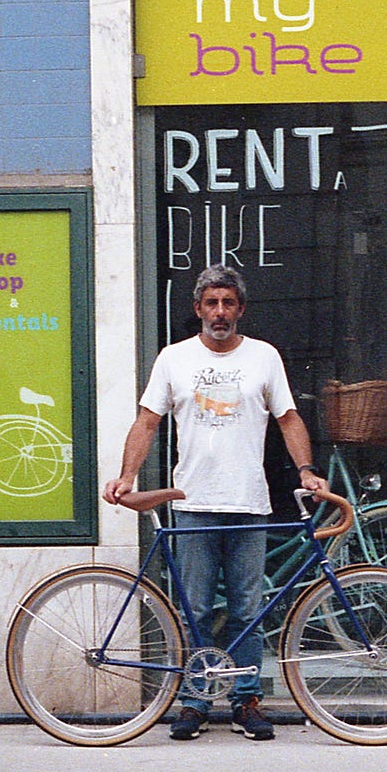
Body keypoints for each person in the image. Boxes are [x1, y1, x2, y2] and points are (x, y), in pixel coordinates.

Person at [102, 264, 327, 741]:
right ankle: (196, 701)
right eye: (211, 303)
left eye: (228, 303)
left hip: (249, 501)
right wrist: (127, 476)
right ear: (198, 309)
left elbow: (288, 419)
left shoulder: (264, 356)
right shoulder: (174, 358)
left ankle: (246, 699)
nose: (219, 312)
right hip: (193, 501)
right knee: (196, 609)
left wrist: (306, 470)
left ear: (240, 309)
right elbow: (147, 421)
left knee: (248, 610)